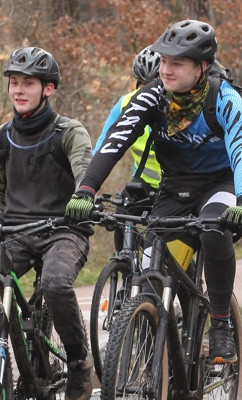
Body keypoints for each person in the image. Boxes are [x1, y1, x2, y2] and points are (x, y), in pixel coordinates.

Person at [65, 19, 242, 364]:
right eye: (163, 61)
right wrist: (86, 188)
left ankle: (220, 324)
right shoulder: (152, 95)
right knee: (151, 273)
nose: (165, 69)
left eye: (177, 63)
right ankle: (156, 379)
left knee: (214, 229)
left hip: (220, 185)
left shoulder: (224, 99)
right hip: (174, 187)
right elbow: (115, 141)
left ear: (201, 67)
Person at [0, 47, 94, 400]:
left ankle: (77, 360)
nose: (18, 90)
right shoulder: (2, 137)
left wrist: (82, 199)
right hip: (16, 232)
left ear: (48, 89)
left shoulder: (69, 132)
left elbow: (85, 170)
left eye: (28, 83)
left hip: (64, 230)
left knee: (56, 283)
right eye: (14, 82)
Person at [94, 46, 163, 251]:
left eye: (154, 85)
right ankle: (124, 264)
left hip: (176, 185)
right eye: (142, 86)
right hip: (143, 183)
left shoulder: (178, 108)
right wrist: (87, 186)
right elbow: (103, 146)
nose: (147, 93)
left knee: (162, 247)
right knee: (122, 215)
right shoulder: (125, 104)